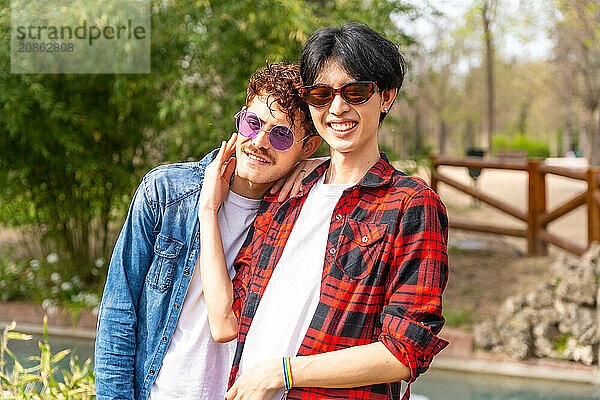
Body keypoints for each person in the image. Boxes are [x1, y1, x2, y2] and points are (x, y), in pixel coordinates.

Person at [199, 23, 449, 400]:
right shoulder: (288, 193)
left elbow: (404, 350)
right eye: (320, 94)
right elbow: (225, 320)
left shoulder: (409, 203)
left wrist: (283, 373)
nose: (337, 108)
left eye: (356, 91)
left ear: (386, 97)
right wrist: (207, 209)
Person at [94, 63, 322, 400]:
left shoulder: (297, 216)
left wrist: (323, 165)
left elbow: (369, 168)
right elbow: (118, 310)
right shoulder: (166, 193)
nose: (259, 142)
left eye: (281, 134)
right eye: (253, 123)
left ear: (308, 146)